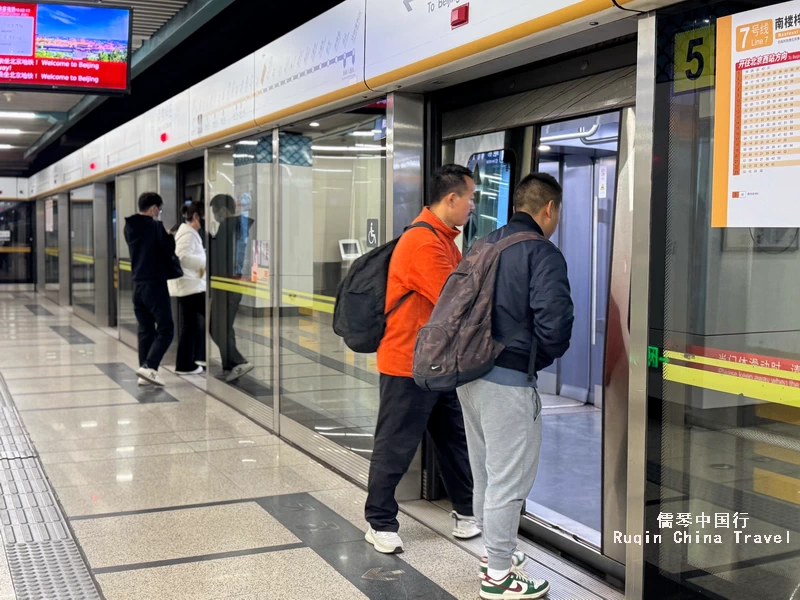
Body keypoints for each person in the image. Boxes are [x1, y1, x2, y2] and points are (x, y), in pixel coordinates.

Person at [458, 173, 573, 599]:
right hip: (506, 382)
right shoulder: (541, 252)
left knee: (486, 471)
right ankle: (499, 577)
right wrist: (530, 361)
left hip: (468, 377)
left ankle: (493, 556)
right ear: (549, 209)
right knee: (509, 480)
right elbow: (556, 324)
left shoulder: (484, 245)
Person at [365, 164, 478, 554]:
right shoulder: (424, 243)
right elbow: (456, 300)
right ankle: (379, 521)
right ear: (452, 198)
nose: (472, 206)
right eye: (470, 198)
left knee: (453, 439)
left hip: (437, 363)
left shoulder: (445, 239)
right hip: (407, 364)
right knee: (395, 444)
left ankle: (466, 512)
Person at [124, 192, 176, 387]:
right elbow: (167, 251)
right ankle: (150, 366)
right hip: (154, 284)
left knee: (146, 329)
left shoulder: (129, 226)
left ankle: (144, 371)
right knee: (166, 328)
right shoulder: (155, 227)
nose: (158, 213)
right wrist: (170, 236)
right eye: (159, 210)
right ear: (154, 208)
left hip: (137, 284)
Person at [208, 194, 254, 382]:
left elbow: (219, 258)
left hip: (227, 286)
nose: (214, 216)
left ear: (223, 210)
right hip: (231, 285)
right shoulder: (238, 228)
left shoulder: (229, 227)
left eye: (215, 212)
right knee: (224, 328)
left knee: (216, 328)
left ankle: (238, 361)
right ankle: (229, 364)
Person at [168, 201, 207, 375]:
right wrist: (206, 261)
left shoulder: (190, 233)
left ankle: (187, 363)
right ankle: (193, 360)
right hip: (190, 286)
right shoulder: (188, 234)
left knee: (189, 325)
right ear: (196, 216)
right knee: (213, 318)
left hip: (190, 285)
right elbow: (181, 257)